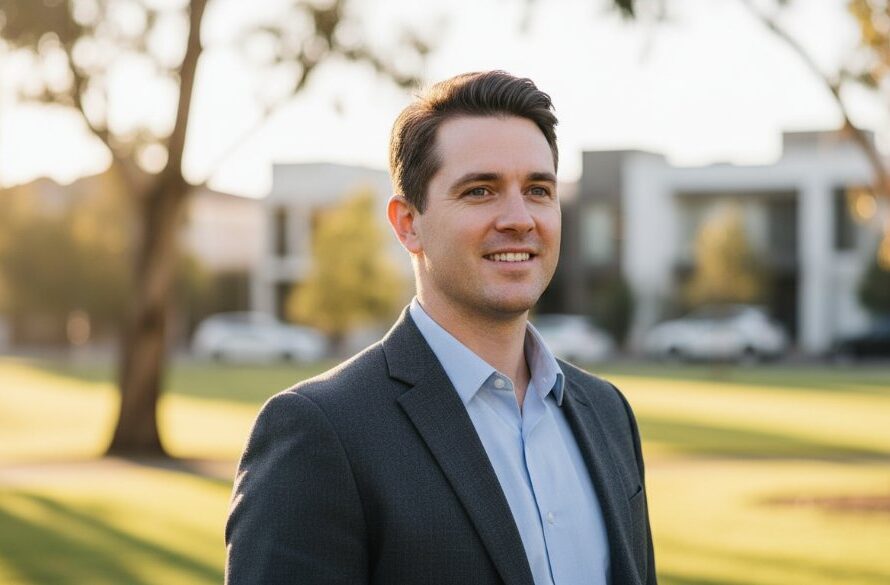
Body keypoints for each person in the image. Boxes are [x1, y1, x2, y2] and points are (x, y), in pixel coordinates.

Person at [225, 70, 656, 585]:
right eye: (480, 191)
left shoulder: (607, 413)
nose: (519, 218)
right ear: (408, 223)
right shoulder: (319, 432)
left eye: (538, 189)